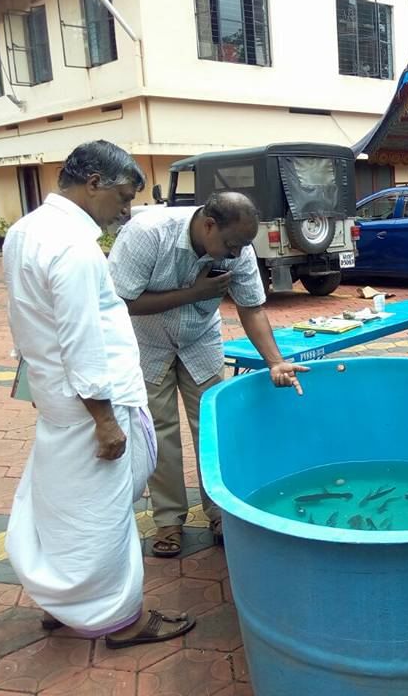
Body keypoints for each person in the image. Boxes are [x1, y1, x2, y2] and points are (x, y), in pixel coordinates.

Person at [3, 140, 195, 648]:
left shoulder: (27, 231)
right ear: (94, 183)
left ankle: (63, 606)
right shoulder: (73, 246)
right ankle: (122, 620)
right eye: (125, 198)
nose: (126, 212)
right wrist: (105, 420)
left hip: (57, 401)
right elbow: (82, 339)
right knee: (101, 519)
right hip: (92, 408)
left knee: (62, 509)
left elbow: (28, 325)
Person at [109, 190, 306, 558]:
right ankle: (168, 519)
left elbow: (252, 307)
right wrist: (191, 293)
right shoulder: (148, 233)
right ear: (209, 225)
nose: (235, 254)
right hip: (147, 343)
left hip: (200, 340)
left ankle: (218, 512)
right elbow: (121, 302)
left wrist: (275, 361)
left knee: (212, 430)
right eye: (231, 245)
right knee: (160, 432)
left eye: (242, 247)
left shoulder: (240, 249)